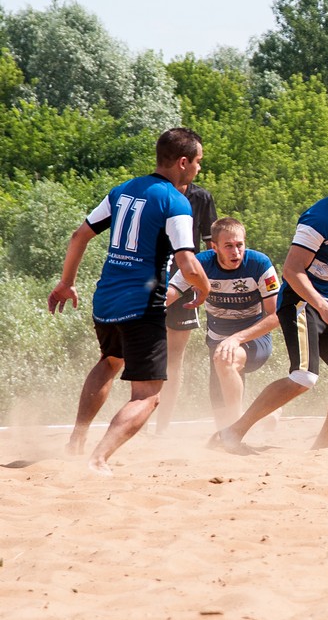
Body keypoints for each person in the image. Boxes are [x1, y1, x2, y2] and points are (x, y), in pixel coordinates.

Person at [48, 127, 211, 475]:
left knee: (110, 361)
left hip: (105, 300)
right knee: (149, 395)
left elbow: (79, 235)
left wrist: (66, 284)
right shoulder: (176, 202)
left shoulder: (122, 191)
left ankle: (76, 441)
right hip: (143, 305)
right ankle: (98, 458)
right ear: (183, 162)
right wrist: (205, 287)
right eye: (197, 162)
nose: (198, 169)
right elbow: (187, 262)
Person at [211, 152, 328, 453]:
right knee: (304, 378)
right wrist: (323, 307)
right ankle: (232, 433)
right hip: (302, 304)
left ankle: (320, 450)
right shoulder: (319, 218)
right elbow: (291, 270)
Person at [166, 216, 280, 429]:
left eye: (239, 245)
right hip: (217, 340)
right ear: (215, 247)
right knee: (221, 412)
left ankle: (237, 430)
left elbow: (275, 315)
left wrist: (237, 339)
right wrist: (144, 313)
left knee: (226, 361)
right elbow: (171, 292)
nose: (236, 252)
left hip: (254, 339)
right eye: (228, 246)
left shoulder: (259, 264)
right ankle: (264, 415)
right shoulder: (200, 264)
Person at [156, 181, 217, 434]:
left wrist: (210, 286)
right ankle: (137, 416)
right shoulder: (154, 193)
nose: (199, 167)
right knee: (141, 352)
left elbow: (213, 247)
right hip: (148, 278)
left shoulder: (201, 196)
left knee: (174, 358)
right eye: (197, 161)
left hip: (185, 281)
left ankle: (161, 427)